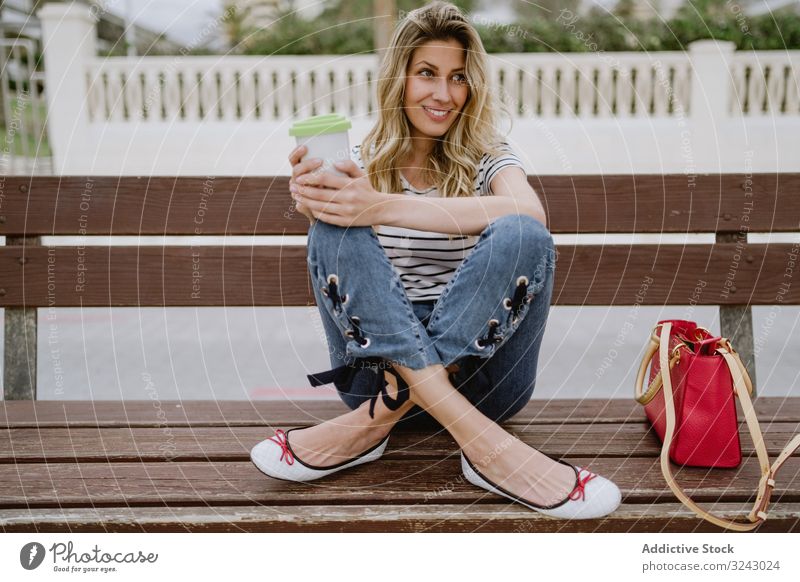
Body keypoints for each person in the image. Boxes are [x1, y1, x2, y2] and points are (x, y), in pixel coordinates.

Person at [251, 1, 621, 519]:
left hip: (485, 380)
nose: (443, 94)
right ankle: (488, 450)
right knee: (333, 228)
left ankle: (375, 422)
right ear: (399, 77)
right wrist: (317, 200)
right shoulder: (354, 163)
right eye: (427, 73)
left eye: (458, 78)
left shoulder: (488, 155)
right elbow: (333, 240)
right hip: (372, 372)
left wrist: (381, 207)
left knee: (522, 234)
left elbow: (530, 212)